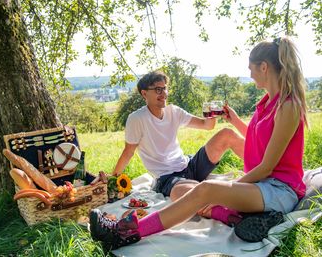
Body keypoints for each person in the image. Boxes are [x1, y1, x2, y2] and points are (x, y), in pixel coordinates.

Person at [90, 37, 308, 248]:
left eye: (251, 68)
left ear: (263, 67)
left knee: (206, 190)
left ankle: (125, 232)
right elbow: (256, 138)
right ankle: (251, 217)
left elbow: (267, 167)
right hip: (263, 184)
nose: (249, 74)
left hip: (280, 189)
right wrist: (233, 121)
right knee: (207, 190)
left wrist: (229, 188)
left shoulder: (288, 106)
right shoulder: (266, 103)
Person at [112, 70, 243, 200]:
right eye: (158, 89)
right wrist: (112, 181)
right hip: (167, 178)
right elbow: (128, 152)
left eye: (165, 88)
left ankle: (261, 169)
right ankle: (218, 206)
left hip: (189, 166)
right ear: (144, 93)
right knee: (190, 192)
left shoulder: (173, 111)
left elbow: (206, 125)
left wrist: (212, 113)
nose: (164, 93)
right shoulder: (137, 119)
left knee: (227, 134)